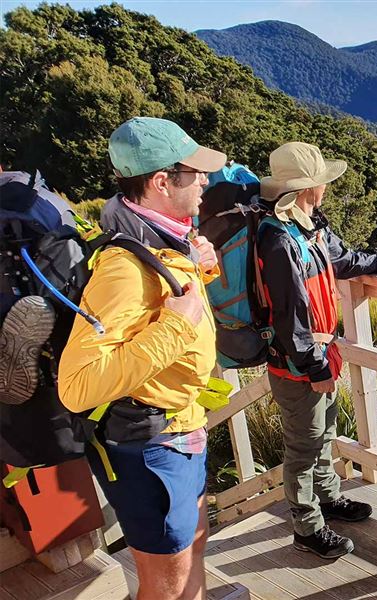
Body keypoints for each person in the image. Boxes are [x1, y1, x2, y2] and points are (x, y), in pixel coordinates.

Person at [59, 116, 226, 600]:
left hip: (179, 429)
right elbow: (78, 385)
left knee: (193, 547)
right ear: (160, 181)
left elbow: (154, 313)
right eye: (195, 173)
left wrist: (199, 271)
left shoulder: (160, 239)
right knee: (165, 582)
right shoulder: (122, 269)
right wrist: (178, 325)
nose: (206, 182)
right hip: (152, 447)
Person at [257, 142, 377, 559]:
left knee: (324, 434)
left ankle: (327, 499)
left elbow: (347, 260)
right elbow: (289, 317)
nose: (325, 189)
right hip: (299, 364)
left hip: (320, 355)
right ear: (309, 188)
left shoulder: (308, 227)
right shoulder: (279, 240)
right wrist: (315, 366)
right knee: (303, 446)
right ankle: (307, 528)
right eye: (322, 183)